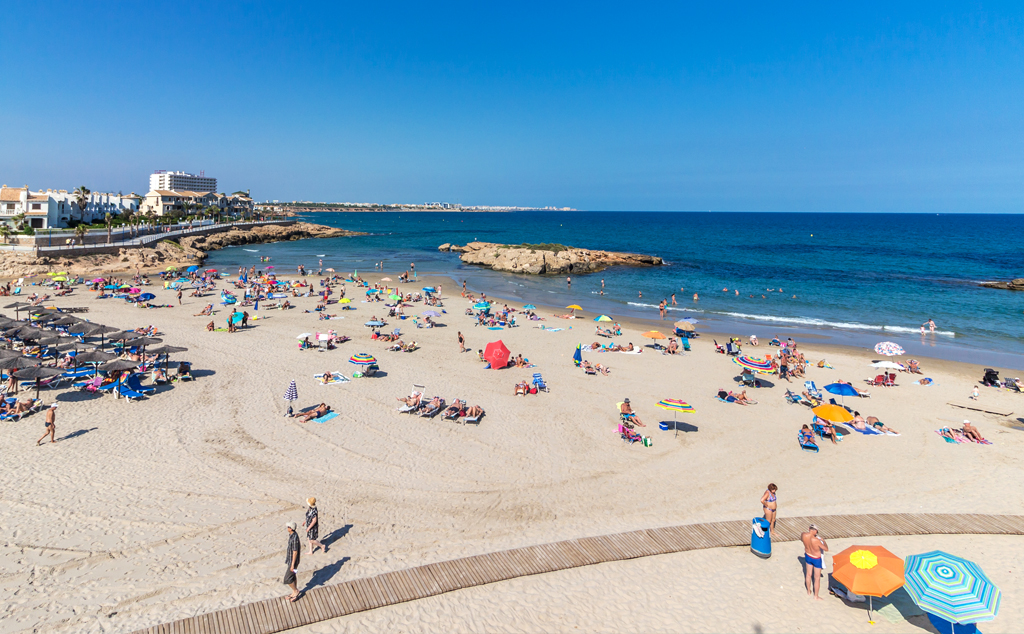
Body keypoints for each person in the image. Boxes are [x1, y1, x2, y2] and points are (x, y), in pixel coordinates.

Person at [801, 524, 828, 600]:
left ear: (809, 528)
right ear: (815, 531)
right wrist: (823, 541)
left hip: (808, 555)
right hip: (816, 558)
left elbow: (802, 539)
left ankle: (808, 591)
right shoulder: (816, 540)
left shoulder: (803, 535)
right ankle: (816, 596)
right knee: (817, 578)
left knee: (808, 574)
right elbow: (826, 549)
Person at [283, 522, 301, 602]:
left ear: (291, 528)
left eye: (288, 527)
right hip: (291, 560)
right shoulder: (291, 535)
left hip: (293, 561)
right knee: (293, 575)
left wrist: (292, 564)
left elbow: (295, 552)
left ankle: (296, 591)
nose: (287, 528)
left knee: (287, 579)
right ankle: (294, 592)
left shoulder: (294, 538)